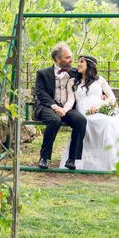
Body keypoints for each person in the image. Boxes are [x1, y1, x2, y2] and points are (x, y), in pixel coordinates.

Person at [59, 55, 119, 171]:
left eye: (81, 62)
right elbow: (71, 100)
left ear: (89, 65)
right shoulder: (73, 82)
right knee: (97, 123)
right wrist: (64, 110)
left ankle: (114, 162)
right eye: (78, 62)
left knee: (112, 124)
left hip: (99, 109)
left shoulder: (100, 80)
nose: (78, 64)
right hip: (84, 112)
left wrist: (100, 106)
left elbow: (111, 98)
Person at [34, 42, 87, 170]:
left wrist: (102, 93)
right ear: (58, 59)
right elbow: (40, 93)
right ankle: (44, 158)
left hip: (66, 108)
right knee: (54, 120)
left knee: (81, 120)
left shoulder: (75, 72)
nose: (71, 60)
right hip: (47, 107)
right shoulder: (42, 73)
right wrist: (53, 106)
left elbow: (91, 78)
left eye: (71, 57)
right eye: (67, 57)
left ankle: (72, 159)